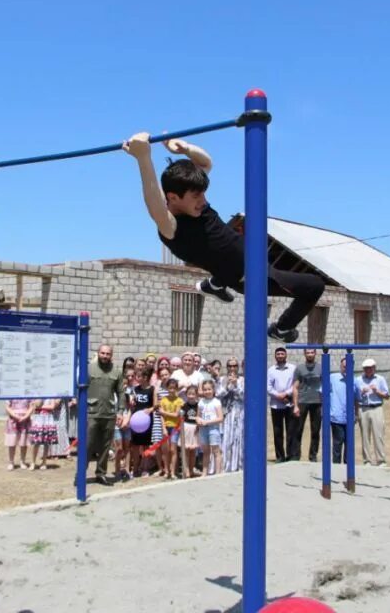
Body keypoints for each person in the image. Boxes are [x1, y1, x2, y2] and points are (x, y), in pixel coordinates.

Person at [123, 132, 325, 343]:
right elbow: (153, 200)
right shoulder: (171, 226)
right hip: (250, 276)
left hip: (241, 262)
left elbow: (205, 162)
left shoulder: (196, 203)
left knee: (228, 252)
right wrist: (143, 157)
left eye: (203, 194)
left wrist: (184, 148)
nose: (203, 201)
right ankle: (282, 329)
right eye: (196, 197)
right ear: (173, 197)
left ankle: (215, 285)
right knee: (314, 286)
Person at [87, 344, 125, 486]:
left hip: (109, 414)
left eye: (107, 354)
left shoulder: (116, 371)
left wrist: (120, 411)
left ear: (111, 355)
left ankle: (101, 474)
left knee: (105, 445)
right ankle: (81, 473)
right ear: (98, 354)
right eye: (102, 353)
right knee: (88, 444)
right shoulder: (89, 369)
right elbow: (81, 389)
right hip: (91, 413)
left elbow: (121, 393)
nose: (105, 356)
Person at [289, 348, 323, 463]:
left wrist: (324, 403)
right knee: (298, 430)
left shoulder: (321, 368)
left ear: (315, 354)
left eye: (311, 352)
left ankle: (313, 456)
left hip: (317, 402)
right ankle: (295, 456)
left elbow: (325, 386)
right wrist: (295, 405)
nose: (310, 354)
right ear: (304, 354)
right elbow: (295, 387)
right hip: (302, 402)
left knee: (315, 430)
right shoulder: (299, 368)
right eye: (307, 353)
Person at [358, 358, 390, 467]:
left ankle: (381, 460)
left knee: (378, 434)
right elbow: (355, 396)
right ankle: (367, 460)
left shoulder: (380, 379)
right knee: (365, 436)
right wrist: (362, 392)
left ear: (374, 368)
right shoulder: (358, 380)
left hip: (377, 408)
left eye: (370, 368)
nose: (368, 370)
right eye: (366, 368)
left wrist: (377, 391)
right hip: (363, 408)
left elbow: (387, 396)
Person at [329, 357, 361, 464]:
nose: (346, 368)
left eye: (348, 367)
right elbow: (322, 393)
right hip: (336, 416)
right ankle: (336, 466)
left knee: (349, 443)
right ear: (340, 366)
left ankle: (348, 466)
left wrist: (356, 414)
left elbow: (356, 399)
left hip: (349, 417)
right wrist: (326, 409)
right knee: (338, 442)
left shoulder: (354, 381)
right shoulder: (332, 378)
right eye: (344, 366)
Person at [267, 347, 296, 462]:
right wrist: (278, 395)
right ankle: (280, 456)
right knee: (277, 432)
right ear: (275, 356)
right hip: (276, 405)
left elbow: (295, 384)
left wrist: (286, 394)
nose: (280, 356)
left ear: (286, 355)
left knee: (291, 431)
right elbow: (268, 387)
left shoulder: (292, 368)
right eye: (278, 354)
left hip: (289, 403)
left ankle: (290, 455)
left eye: (282, 354)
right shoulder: (271, 370)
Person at [129, 368, 156, 478]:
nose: (136, 378)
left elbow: (156, 405)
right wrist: (131, 401)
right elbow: (132, 402)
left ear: (145, 377)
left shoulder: (152, 389)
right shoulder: (135, 389)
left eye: (139, 376)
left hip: (146, 421)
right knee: (135, 446)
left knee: (146, 446)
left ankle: (145, 468)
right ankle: (135, 468)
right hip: (136, 421)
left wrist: (150, 410)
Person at [219, 358, 245, 473]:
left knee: (238, 438)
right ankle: (226, 465)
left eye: (234, 366)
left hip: (239, 412)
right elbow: (218, 395)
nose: (232, 368)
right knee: (226, 438)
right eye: (230, 366)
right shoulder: (222, 379)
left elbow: (244, 396)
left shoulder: (243, 380)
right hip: (226, 413)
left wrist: (235, 385)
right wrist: (227, 386)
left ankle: (238, 465)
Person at [158, 378, 184, 480]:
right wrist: (163, 428)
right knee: (166, 450)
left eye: (174, 388)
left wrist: (164, 412)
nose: (172, 390)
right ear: (167, 388)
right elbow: (161, 417)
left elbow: (176, 415)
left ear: (177, 389)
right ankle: (167, 471)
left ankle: (173, 472)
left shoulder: (179, 400)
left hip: (175, 427)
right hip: (166, 427)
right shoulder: (163, 400)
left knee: (173, 450)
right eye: (170, 388)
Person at [197, 380, 224, 476]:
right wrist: (198, 420)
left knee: (216, 450)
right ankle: (204, 472)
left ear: (213, 390)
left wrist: (207, 422)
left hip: (213, 428)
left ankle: (218, 472)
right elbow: (198, 415)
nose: (207, 391)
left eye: (209, 389)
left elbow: (220, 418)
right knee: (206, 451)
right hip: (203, 429)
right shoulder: (201, 402)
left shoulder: (216, 402)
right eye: (205, 389)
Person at [29, 398, 60, 469]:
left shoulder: (51, 395)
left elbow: (52, 406)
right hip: (38, 419)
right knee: (36, 442)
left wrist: (40, 407)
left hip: (48, 418)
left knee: (46, 442)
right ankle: (33, 462)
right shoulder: (37, 394)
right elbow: (34, 405)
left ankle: (44, 462)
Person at [5, 398, 33, 470]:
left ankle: (22, 461)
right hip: (13, 420)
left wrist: (25, 416)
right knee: (12, 442)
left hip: (25, 420)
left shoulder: (28, 394)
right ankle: (11, 462)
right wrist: (15, 415)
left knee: (23, 442)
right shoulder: (11, 393)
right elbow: (7, 407)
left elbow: (31, 407)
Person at [180, 384, 201, 477]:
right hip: (186, 428)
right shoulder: (184, 405)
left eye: (193, 394)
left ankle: (192, 469)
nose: (191, 396)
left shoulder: (199, 406)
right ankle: (186, 469)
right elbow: (181, 417)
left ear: (196, 395)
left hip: (195, 429)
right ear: (186, 395)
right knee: (186, 450)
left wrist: (198, 426)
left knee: (193, 451)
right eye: (189, 394)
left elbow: (200, 417)